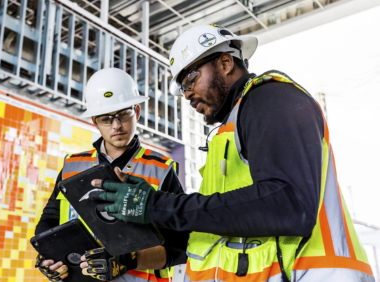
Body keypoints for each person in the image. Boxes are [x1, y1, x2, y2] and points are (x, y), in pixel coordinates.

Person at [89, 25, 375, 282]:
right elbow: (215, 223)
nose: (186, 94)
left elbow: (289, 205)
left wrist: (158, 206)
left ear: (225, 63)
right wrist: (151, 213)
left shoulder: (272, 100)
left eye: (190, 80)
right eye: (182, 88)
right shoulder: (228, 132)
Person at [34, 68, 187, 282]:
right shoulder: (72, 166)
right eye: (106, 119)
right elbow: (49, 220)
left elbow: (181, 248)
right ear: (94, 122)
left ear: (137, 112)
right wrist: (50, 257)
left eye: (124, 114)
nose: (117, 125)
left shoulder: (161, 169)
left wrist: (128, 260)